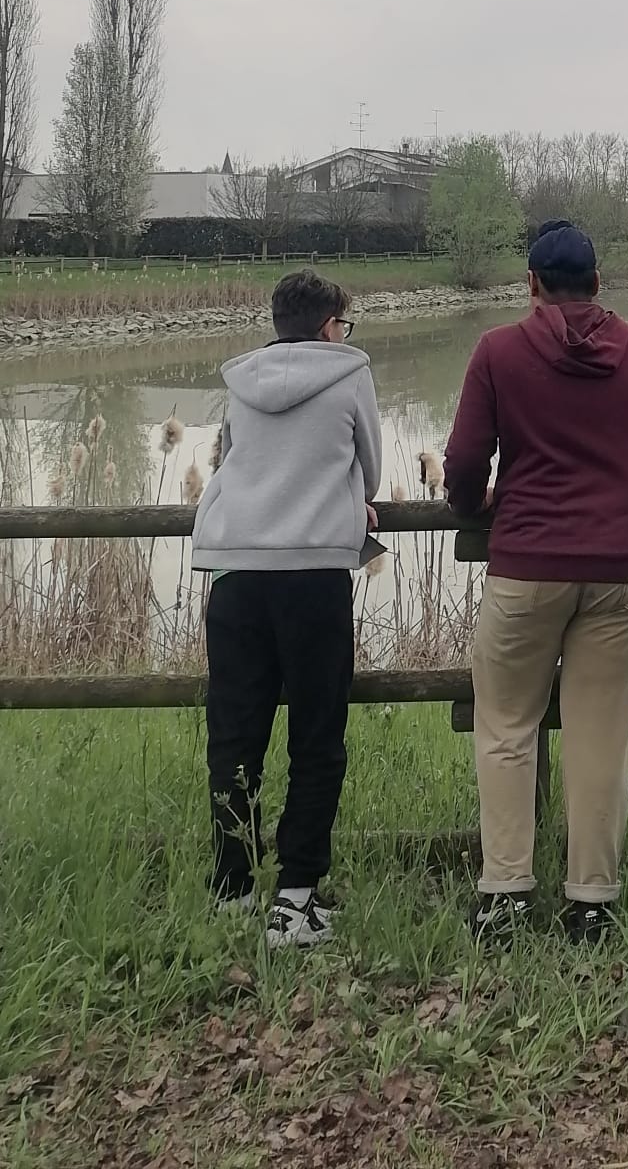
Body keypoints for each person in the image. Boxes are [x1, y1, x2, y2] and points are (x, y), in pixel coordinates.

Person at [444, 220, 628, 944]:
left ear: (532, 284)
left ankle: (506, 894)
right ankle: (591, 902)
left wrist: (476, 505)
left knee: (506, 727)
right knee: (600, 737)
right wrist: (621, 480)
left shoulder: (498, 350)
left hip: (527, 564)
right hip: (621, 566)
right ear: (598, 282)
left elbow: (464, 463)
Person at [190, 269, 382, 949]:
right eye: (343, 325)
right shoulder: (350, 373)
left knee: (235, 736)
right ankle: (295, 901)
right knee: (316, 738)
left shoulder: (240, 381)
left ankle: (232, 888)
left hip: (237, 572)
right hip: (313, 574)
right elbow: (371, 467)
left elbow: (231, 460)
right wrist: (353, 498)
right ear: (330, 326)